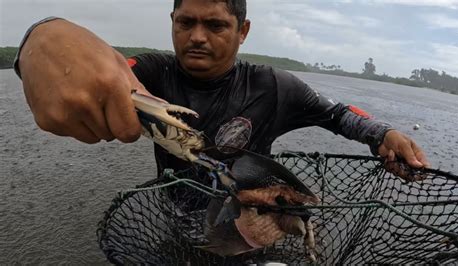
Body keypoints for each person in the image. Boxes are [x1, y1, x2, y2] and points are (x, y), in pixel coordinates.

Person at [14, 0, 429, 179]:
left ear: (242, 30)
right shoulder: (154, 72)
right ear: (172, 20)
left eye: (214, 25)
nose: (197, 37)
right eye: (185, 22)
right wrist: (41, 37)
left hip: (250, 215)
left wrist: (382, 135)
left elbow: (338, 114)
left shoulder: (273, 86)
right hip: (178, 214)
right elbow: (107, 71)